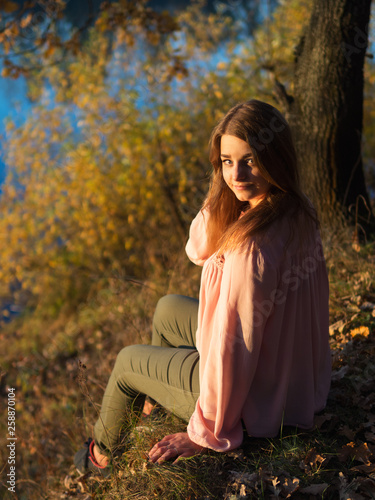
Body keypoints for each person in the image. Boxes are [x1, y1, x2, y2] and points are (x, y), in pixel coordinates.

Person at [74, 99, 331, 475]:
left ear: (275, 157)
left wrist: (206, 432)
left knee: (128, 361)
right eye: (227, 161)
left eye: (250, 160)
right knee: (167, 308)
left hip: (252, 401)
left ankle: (100, 457)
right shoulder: (294, 207)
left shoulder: (252, 247)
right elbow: (197, 248)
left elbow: (234, 347)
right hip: (290, 378)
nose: (237, 174)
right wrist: (224, 191)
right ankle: (155, 405)